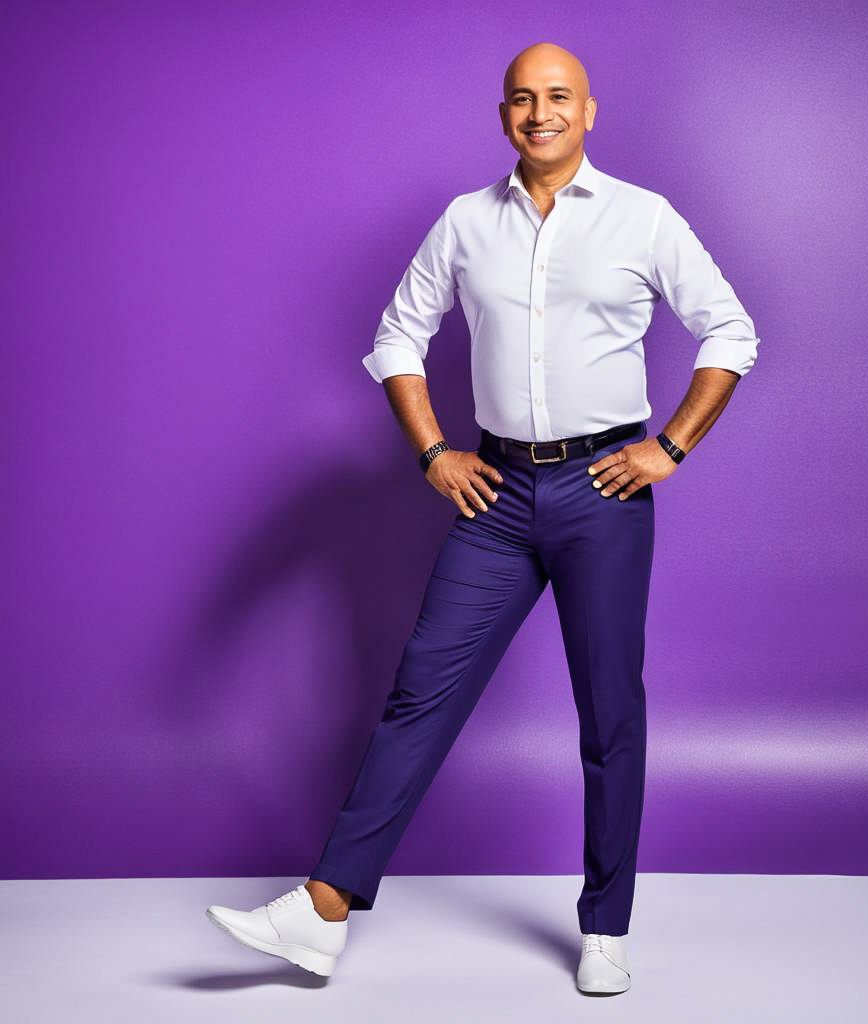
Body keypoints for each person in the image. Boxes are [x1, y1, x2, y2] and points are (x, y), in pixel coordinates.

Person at [206, 40, 760, 994]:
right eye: (520, 99)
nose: (538, 113)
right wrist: (432, 453)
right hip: (495, 497)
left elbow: (731, 329)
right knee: (420, 692)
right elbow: (395, 338)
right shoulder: (467, 224)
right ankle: (327, 910)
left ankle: (606, 930)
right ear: (501, 114)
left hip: (603, 493)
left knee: (609, 714)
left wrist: (668, 447)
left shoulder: (643, 218)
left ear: (590, 112)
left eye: (557, 98)